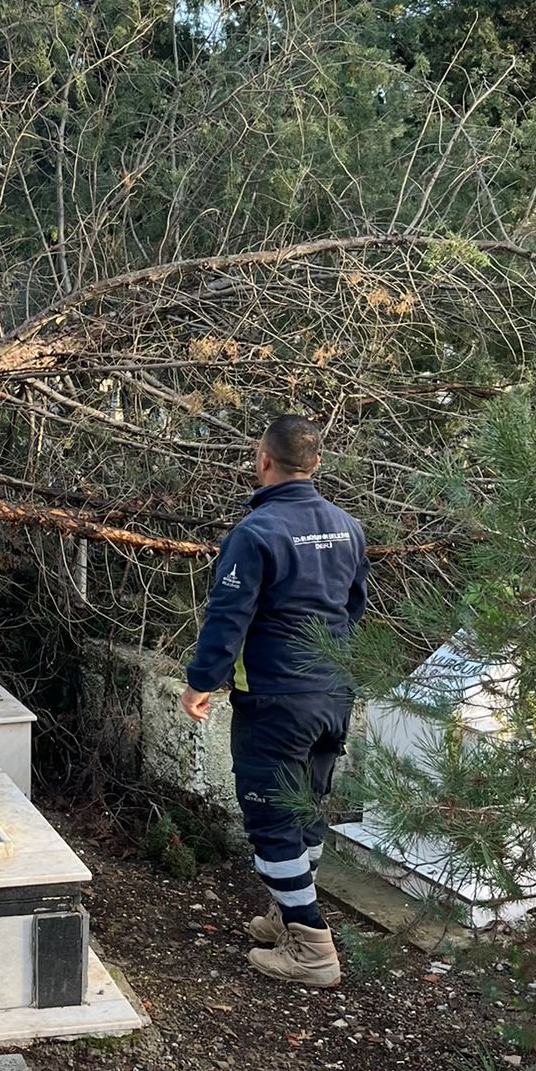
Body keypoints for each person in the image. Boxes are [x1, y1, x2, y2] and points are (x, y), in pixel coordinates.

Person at [181, 415, 368, 988]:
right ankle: (286, 915)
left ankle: (311, 948)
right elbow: (353, 607)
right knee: (307, 809)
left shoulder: (255, 532)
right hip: (333, 694)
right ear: (315, 463)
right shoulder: (348, 527)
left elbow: (228, 618)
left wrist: (201, 682)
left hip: (278, 699)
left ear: (264, 459)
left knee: (271, 821)